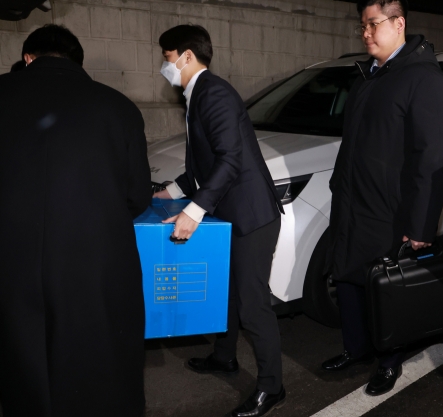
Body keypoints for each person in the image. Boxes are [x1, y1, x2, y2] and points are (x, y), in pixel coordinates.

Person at [0, 24, 150, 417]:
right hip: (94, 263)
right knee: (96, 369)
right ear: (77, 61)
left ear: (28, 57)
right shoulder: (119, 107)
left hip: (9, 263)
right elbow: (137, 195)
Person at [322, 0, 443, 396]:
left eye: (373, 24)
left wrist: (420, 225)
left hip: (391, 212)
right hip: (352, 204)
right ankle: (356, 348)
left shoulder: (427, 80)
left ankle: (389, 361)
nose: (365, 33)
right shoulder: (368, 77)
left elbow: (434, 160)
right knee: (347, 281)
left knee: (386, 291)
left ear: (399, 24)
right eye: (362, 25)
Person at [152, 24, 286, 417]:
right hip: (231, 213)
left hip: (251, 217)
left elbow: (231, 159)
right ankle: (225, 356)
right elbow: (203, 165)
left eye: (168, 59)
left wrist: (193, 212)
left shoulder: (215, 94)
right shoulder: (199, 95)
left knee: (253, 303)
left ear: (187, 56)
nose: (167, 69)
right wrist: (171, 193)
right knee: (225, 294)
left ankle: (272, 387)